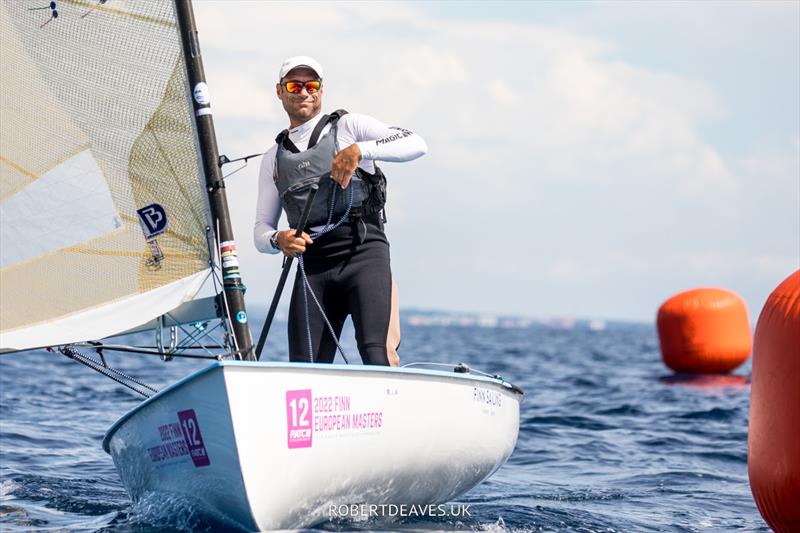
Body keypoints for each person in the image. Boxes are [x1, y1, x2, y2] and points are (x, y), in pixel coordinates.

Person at [254, 56, 427, 366]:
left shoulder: (349, 127)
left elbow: (416, 143)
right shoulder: (272, 158)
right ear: (280, 92)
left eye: (312, 85)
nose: (304, 92)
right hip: (314, 267)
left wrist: (361, 150)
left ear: (321, 90)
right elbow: (260, 231)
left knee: (377, 354)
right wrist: (278, 239)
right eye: (294, 85)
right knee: (305, 368)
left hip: (364, 254)